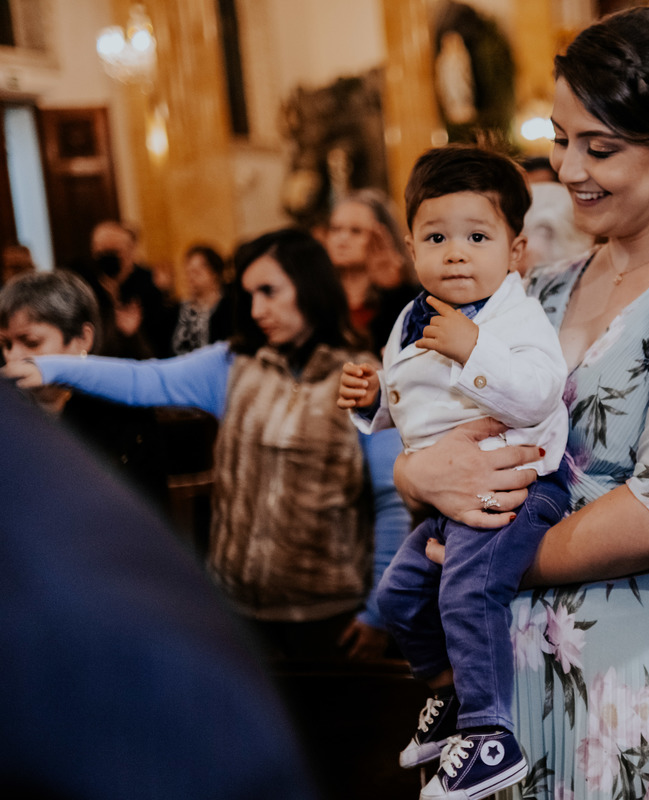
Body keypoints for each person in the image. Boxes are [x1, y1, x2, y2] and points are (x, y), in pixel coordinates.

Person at [390, 8, 649, 799]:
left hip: (637, 674)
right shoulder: (538, 289)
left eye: (599, 148)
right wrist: (417, 477)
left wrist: (488, 562)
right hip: (509, 673)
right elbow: (439, 431)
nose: (569, 168)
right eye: (561, 139)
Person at [3, 228, 405, 661]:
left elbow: (392, 501)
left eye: (269, 291)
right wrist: (51, 367)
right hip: (241, 612)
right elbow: (145, 379)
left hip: (331, 614)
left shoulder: (362, 377)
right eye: (249, 295)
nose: (257, 309)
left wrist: (378, 613)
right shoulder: (234, 365)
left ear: (310, 287)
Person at [339, 144, 570, 799]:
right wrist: (374, 399)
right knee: (399, 596)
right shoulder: (412, 317)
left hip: (520, 491)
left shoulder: (516, 317)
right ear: (411, 248)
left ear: (515, 250)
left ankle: (490, 733)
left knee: (466, 594)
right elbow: (416, 400)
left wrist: (477, 352)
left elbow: (541, 393)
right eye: (437, 238)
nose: (457, 254)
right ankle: (448, 694)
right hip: (449, 501)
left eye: (477, 237)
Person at [0, 380, 320, 800]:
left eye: (30, 347)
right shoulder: (238, 370)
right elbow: (151, 379)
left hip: (315, 595)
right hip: (242, 591)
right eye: (8, 348)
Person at [0, 270, 169, 509]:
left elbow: (148, 512)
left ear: (82, 339)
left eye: (31, 342)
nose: (13, 356)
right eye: (5, 344)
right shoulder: (8, 411)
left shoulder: (122, 413)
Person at [324, 188, 419, 354]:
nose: (342, 238)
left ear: (383, 237)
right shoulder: (319, 294)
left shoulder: (404, 294)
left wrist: (393, 290)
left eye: (356, 231)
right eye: (335, 229)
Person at [90, 220, 173, 357]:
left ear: (130, 252)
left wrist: (133, 335)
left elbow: (161, 341)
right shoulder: (89, 286)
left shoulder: (148, 284)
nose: (106, 258)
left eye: (114, 251)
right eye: (101, 251)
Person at [169, 243, 234, 355]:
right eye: (188, 273)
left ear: (214, 274)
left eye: (196, 272)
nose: (190, 278)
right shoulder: (178, 309)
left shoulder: (228, 308)